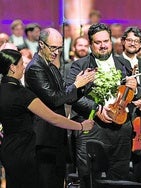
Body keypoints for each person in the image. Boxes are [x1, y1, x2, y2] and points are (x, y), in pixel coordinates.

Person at [0, 49, 94, 188]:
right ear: (12, 68)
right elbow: (53, 118)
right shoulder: (22, 94)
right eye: (21, 64)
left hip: (8, 149)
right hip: (25, 151)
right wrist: (81, 126)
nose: (24, 67)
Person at [66, 23, 138, 188]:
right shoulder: (79, 65)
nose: (103, 45)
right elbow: (71, 96)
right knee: (89, 179)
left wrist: (135, 88)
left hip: (121, 129)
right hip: (92, 129)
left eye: (106, 41)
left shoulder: (124, 64)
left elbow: (134, 96)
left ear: (111, 42)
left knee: (120, 179)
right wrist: (96, 109)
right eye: (98, 42)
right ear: (91, 45)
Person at [24, 27, 93, 188]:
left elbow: (66, 96)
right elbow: (54, 99)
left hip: (56, 134)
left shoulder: (51, 66)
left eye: (59, 48)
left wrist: (82, 83)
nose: (56, 52)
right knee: (46, 180)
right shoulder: (35, 68)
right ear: (41, 44)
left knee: (57, 180)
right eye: (53, 47)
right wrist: (77, 84)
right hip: (44, 137)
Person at [120, 26, 141, 183]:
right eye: (129, 40)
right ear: (123, 41)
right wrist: (131, 100)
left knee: (140, 164)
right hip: (121, 118)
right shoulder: (115, 62)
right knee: (121, 164)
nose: (133, 43)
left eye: (136, 41)